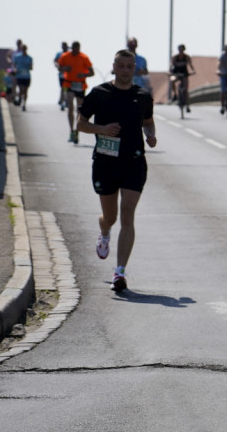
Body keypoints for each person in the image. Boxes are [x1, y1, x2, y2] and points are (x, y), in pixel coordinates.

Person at [76, 49, 157, 293]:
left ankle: (119, 272)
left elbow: (148, 121)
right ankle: (104, 230)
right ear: (113, 66)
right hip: (105, 162)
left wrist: (151, 135)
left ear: (134, 69)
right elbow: (80, 124)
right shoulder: (100, 93)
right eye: (120, 66)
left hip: (134, 162)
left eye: (129, 66)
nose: (124, 70)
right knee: (110, 217)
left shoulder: (142, 96)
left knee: (127, 215)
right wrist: (101, 129)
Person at [57, 41, 95, 143]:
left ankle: (77, 132)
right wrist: (64, 68)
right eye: (74, 48)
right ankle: (71, 131)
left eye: (77, 48)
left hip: (80, 85)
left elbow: (92, 73)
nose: (75, 50)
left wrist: (83, 75)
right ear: (72, 48)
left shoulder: (84, 57)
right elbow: (59, 66)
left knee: (79, 110)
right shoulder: (65, 56)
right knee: (70, 107)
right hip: (68, 84)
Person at [169, 43, 195, 111]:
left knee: (186, 90)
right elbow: (171, 65)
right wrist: (170, 72)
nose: (181, 51)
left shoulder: (186, 57)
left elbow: (190, 65)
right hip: (176, 73)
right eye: (180, 49)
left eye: (182, 49)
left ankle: (187, 106)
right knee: (172, 80)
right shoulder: (175, 57)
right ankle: (175, 94)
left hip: (184, 74)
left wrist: (193, 71)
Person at [14, 44, 33, 110]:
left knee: (25, 91)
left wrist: (28, 66)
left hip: (27, 76)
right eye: (23, 49)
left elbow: (31, 68)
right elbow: (14, 65)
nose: (24, 50)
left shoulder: (29, 58)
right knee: (21, 89)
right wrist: (15, 70)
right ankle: (19, 98)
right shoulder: (17, 57)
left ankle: (24, 104)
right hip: (20, 76)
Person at [54, 41, 69, 110]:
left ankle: (64, 101)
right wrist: (58, 66)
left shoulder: (70, 54)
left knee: (67, 89)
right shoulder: (59, 54)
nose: (64, 47)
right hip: (61, 75)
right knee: (63, 88)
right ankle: (63, 102)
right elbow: (55, 61)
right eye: (63, 46)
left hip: (69, 75)